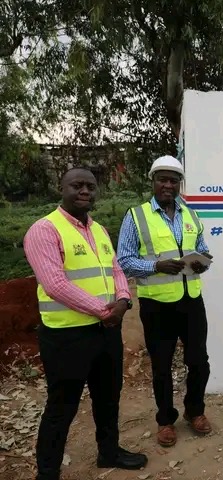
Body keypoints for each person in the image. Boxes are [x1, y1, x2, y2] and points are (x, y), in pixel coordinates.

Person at [23, 167, 148, 480]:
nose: (84, 192)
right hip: (67, 337)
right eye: (77, 185)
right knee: (61, 407)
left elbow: (116, 269)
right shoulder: (44, 230)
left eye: (90, 187)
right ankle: (47, 472)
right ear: (61, 188)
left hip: (106, 331)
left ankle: (109, 452)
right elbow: (54, 284)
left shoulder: (99, 230)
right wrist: (104, 310)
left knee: (108, 397)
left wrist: (124, 300)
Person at [117, 155, 213, 448]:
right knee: (161, 366)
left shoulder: (191, 215)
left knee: (199, 362)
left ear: (179, 183)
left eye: (173, 180)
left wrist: (202, 261)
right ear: (153, 181)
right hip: (157, 305)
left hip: (191, 300)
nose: (168, 185)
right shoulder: (136, 216)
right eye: (163, 179)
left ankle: (194, 411)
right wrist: (155, 266)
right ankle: (165, 420)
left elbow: (202, 248)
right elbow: (124, 260)